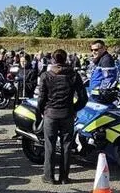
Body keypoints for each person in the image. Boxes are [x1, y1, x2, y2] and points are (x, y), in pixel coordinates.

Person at [37, 49, 88, 184]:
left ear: (52, 60)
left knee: (50, 145)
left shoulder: (46, 76)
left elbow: (41, 98)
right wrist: (74, 109)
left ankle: (49, 176)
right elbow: (83, 98)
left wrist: (42, 111)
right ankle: (64, 177)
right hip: (67, 113)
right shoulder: (74, 75)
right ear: (66, 60)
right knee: (66, 145)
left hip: (50, 113)